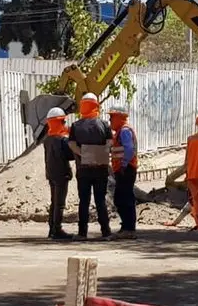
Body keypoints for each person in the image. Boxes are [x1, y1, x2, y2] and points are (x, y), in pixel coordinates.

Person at [69, 93, 113, 241]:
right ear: (96, 106)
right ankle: (106, 232)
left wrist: (84, 154)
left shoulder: (75, 126)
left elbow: (72, 144)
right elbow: (109, 143)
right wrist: (99, 154)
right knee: (100, 200)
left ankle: (82, 233)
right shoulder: (104, 125)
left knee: (84, 201)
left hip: (83, 170)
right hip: (100, 169)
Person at [44, 107, 75, 240]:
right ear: (60, 122)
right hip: (62, 173)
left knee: (53, 201)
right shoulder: (63, 141)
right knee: (60, 203)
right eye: (63, 122)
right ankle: (57, 229)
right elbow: (71, 155)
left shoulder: (47, 140)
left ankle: (52, 229)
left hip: (51, 173)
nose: (64, 124)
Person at [108, 104, 139, 240]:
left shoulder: (125, 131)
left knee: (124, 198)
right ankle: (126, 227)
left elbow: (129, 149)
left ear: (119, 117)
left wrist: (124, 165)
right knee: (122, 198)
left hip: (126, 169)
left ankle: (129, 228)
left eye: (111, 117)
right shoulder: (121, 131)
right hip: (123, 169)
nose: (110, 121)